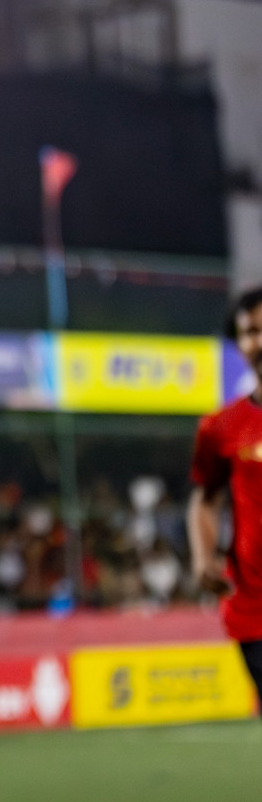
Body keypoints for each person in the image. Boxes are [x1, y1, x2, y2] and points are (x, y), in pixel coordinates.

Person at [189, 286, 262, 702]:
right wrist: (203, 557)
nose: (261, 341)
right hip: (255, 612)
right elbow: (205, 499)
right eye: (251, 332)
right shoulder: (220, 428)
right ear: (240, 345)